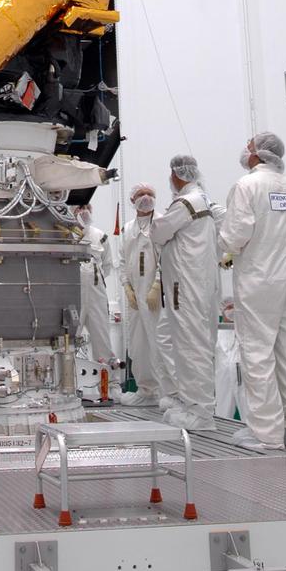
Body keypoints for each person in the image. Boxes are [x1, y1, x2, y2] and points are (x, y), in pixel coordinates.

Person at [219, 132, 286, 452]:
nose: (244, 151)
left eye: (248, 147)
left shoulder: (247, 186)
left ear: (258, 155)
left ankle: (267, 433)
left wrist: (224, 250)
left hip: (259, 280)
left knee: (258, 352)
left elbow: (234, 236)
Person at [149, 155, 218, 430]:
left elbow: (158, 232)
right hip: (197, 282)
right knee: (186, 342)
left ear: (177, 175)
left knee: (190, 346)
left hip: (185, 285)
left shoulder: (185, 203)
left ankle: (200, 412)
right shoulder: (204, 200)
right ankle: (191, 403)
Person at [118, 184, 176, 408]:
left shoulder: (161, 224)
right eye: (141, 194)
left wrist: (157, 285)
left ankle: (168, 392)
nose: (146, 198)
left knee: (159, 342)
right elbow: (122, 260)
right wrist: (127, 287)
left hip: (155, 294)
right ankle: (146, 390)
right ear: (132, 200)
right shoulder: (128, 229)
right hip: (135, 295)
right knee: (138, 344)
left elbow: (166, 258)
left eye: (150, 194)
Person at [74, 204, 119, 370]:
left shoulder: (100, 236)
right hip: (72, 295)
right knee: (68, 339)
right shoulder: (64, 235)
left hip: (96, 294)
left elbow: (107, 266)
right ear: (72, 211)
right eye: (80, 208)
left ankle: (109, 381)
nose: (84, 211)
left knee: (102, 337)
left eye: (87, 208)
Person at [214, 298, 247, 422]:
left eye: (234, 307)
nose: (232, 310)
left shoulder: (243, 331)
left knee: (247, 409)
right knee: (223, 411)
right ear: (222, 310)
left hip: (242, 377)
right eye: (229, 307)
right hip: (223, 378)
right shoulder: (216, 332)